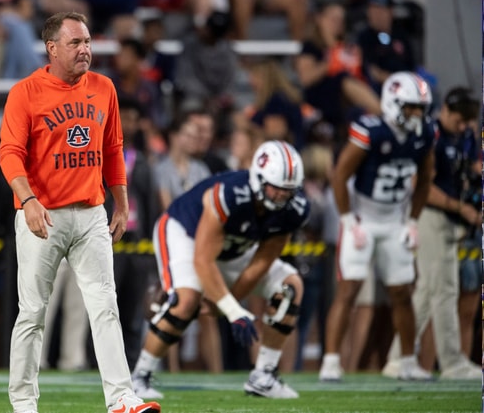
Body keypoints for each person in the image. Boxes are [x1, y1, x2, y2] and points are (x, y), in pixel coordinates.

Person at [0, 12, 161, 413]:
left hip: (91, 213)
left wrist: (121, 203)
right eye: (75, 43)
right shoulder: (25, 92)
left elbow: (114, 149)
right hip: (43, 214)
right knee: (33, 312)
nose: (85, 49)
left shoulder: (104, 88)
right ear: (52, 48)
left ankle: (122, 398)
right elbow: (9, 153)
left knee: (106, 306)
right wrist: (28, 200)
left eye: (87, 41)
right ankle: (23, 402)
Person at [132, 140, 308, 400]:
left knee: (291, 287)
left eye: (288, 190)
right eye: (276, 188)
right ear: (259, 180)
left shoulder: (294, 209)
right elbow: (204, 259)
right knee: (186, 301)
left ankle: (264, 375)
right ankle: (139, 377)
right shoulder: (230, 194)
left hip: (234, 249)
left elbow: (262, 261)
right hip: (185, 234)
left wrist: (225, 303)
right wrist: (233, 310)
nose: (282, 196)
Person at [318, 71, 435, 382]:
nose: (416, 115)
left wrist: (412, 220)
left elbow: (425, 179)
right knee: (349, 289)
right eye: (411, 107)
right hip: (363, 219)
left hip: (395, 219)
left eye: (420, 108)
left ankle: (407, 361)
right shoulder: (371, 131)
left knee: (401, 292)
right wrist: (347, 219)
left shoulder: (423, 134)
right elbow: (340, 175)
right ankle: (330, 361)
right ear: (393, 102)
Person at [380, 87, 482, 380]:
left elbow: (468, 170)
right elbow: (419, 182)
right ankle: (452, 362)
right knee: (445, 289)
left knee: (426, 291)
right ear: (446, 110)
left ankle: (398, 357)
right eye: (459, 120)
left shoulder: (462, 137)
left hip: (451, 219)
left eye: (468, 123)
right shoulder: (430, 136)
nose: (463, 127)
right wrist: (458, 206)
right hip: (431, 215)